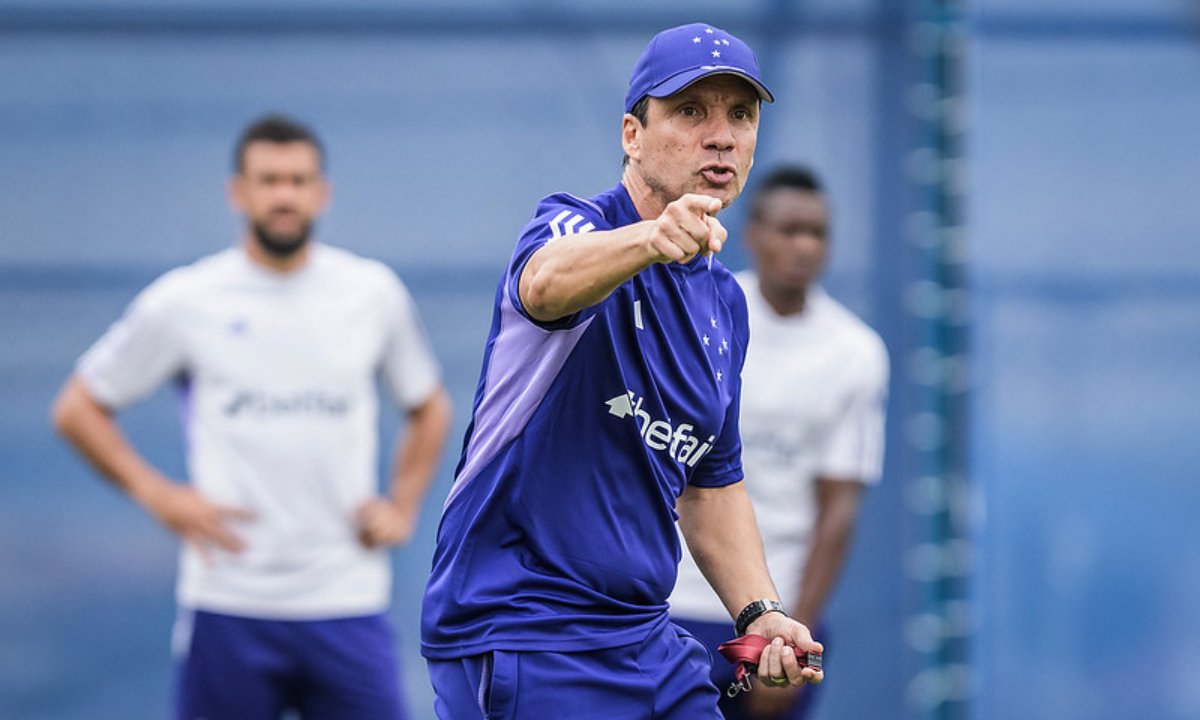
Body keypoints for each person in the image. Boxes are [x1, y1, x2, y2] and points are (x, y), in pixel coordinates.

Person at [421, 23, 823, 719]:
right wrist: (647, 238)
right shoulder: (574, 226)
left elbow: (710, 485)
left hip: (644, 642)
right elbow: (545, 284)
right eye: (691, 112)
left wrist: (760, 613)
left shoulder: (726, 302)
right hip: (525, 633)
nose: (721, 136)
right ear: (632, 135)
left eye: (741, 114)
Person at [51, 114, 452, 720]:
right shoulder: (186, 300)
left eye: (297, 180)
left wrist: (402, 505)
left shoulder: (371, 294)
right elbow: (78, 408)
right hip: (228, 602)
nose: (284, 195)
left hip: (345, 598)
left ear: (322, 193)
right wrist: (158, 494)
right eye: (268, 180)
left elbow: (429, 407)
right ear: (239, 192)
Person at [669, 165, 890, 720]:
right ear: (753, 234)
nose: (804, 246)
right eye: (790, 230)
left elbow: (838, 509)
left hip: (775, 621)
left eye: (817, 233)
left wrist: (797, 630)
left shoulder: (855, 353)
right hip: (672, 604)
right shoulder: (700, 315)